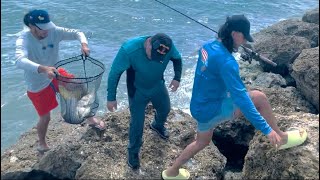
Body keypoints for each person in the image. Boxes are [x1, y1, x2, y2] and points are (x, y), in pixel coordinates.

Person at [161, 15, 308, 179]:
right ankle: (281, 137)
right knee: (258, 97)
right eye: (244, 37)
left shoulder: (207, 47)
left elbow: (211, 74)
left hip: (198, 107)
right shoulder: (227, 62)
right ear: (235, 34)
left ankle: (171, 172)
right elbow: (242, 100)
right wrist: (267, 130)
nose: (244, 41)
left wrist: (229, 50)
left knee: (201, 142)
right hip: (213, 109)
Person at [15, 9, 106, 154]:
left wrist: (84, 44)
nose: (47, 32)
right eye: (42, 29)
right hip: (37, 83)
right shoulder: (23, 39)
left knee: (81, 87)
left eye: (47, 27)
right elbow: (20, 61)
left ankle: (89, 117)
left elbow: (77, 33)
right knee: (45, 117)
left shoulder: (53, 31)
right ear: (32, 26)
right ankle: (42, 143)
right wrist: (43, 69)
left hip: (56, 73)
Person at [106, 33, 183, 169]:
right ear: (148, 43)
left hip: (157, 86)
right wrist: (111, 97)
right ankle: (133, 152)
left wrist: (177, 77)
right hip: (137, 91)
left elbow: (177, 59)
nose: (153, 58)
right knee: (137, 124)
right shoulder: (129, 49)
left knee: (165, 109)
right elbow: (115, 72)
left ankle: (157, 125)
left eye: (158, 57)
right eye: (152, 54)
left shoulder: (167, 46)